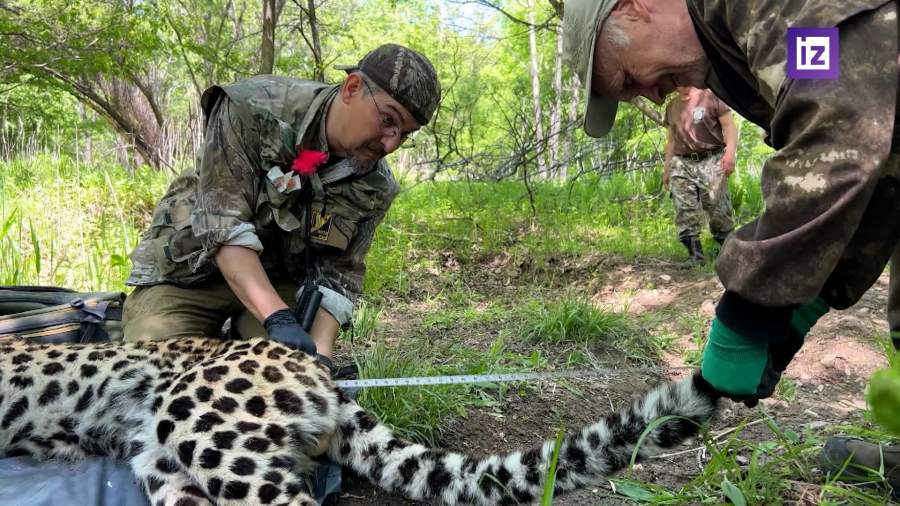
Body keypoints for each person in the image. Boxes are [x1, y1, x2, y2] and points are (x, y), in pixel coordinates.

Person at [562, 0, 899, 496]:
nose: (654, 99)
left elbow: (838, 124)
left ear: (634, 8)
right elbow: (878, 165)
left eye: (630, 80)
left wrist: (747, 309)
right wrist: (800, 307)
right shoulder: (726, 47)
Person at [123, 44, 441, 377]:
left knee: (282, 381)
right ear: (352, 88)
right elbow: (222, 226)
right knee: (156, 372)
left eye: (404, 134)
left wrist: (320, 362)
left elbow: (338, 277)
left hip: (278, 280)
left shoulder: (375, 185)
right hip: (193, 271)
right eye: (387, 120)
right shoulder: (251, 107)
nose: (389, 144)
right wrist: (279, 319)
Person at [663, 86, 737, 262]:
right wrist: (667, 169)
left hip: (711, 158)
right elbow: (672, 140)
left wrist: (730, 153)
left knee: (718, 209)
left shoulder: (712, 97)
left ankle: (727, 252)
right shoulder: (672, 106)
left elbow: (729, 126)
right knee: (683, 208)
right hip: (682, 162)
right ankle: (695, 255)